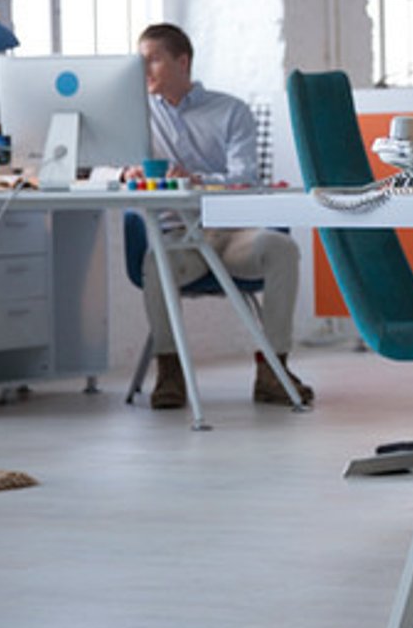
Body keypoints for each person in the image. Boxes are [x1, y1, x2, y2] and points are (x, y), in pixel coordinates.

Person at [132, 22, 311, 410]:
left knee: (282, 249)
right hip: (179, 238)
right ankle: (170, 373)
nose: (143, 69)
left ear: (182, 61)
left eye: (153, 59)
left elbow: (244, 178)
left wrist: (197, 179)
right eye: (139, 61)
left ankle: (273, 371)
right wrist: (124, 173)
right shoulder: (136, 116)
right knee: (155, 262)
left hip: (232, 234)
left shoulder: (231, 111)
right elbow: (112, 166)